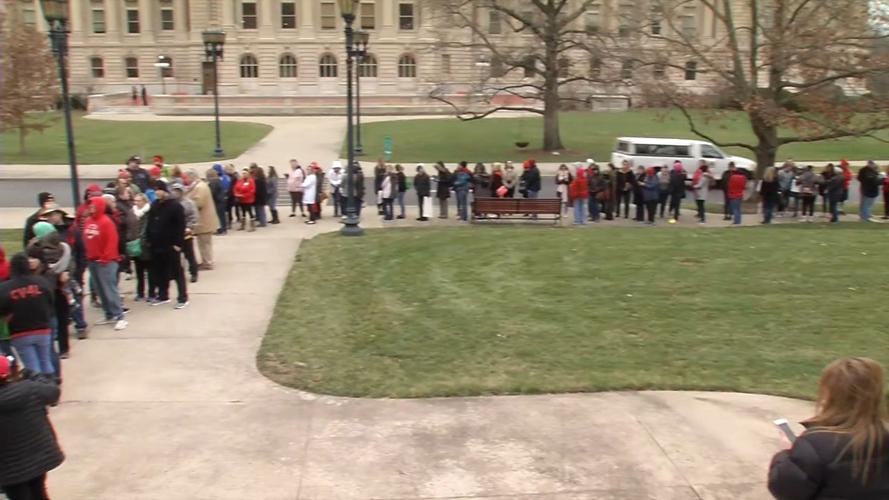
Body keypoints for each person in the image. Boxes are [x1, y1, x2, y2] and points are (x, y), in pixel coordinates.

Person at [768, 357, 889, 499]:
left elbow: (785, 490)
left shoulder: (814, 444)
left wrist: (786, 454)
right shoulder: (883, 434)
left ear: (831, 395)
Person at [0, 355, 65, 500]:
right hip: (37, 456)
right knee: (39, 491)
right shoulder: (29, 388)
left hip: (7, 468)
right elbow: (53, 392)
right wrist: (34, 375)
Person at [0, 254, 55, 375]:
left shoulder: (4, 288)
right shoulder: (42, 282)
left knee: (32, 369)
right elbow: (51, 301)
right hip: (43, 329)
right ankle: (52, 388)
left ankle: (40, 391)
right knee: (46, 362)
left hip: (20, 333)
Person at [83, 196, 127, 330]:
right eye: (89, 206)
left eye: (93, 206)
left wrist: (105, 258)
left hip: (106, 262)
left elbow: (112, 242)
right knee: (100, 289)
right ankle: (109, 314)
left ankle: (120, 316)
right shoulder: (88, 221)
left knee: (110, 289)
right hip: (92, 261)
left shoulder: (106, 222)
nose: (91, 208)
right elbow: (86, 240)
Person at [146, 181, 188, 309]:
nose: (157, 192)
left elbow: (181, 225)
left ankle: (183, 298)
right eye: (156, 190)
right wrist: (149, 240)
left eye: (159, 190)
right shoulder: (154, 205)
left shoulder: (175, 206)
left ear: (165, 191)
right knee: (160, 272)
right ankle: (163, 295)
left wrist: (178, 243)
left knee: (177, 272)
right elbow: (150, 223)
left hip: (171, 245)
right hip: (157, 245)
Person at [185, 168, 221, 271]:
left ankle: (208, 262)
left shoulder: (200, 187)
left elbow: (199, 203)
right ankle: (206, 261)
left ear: (192, 176)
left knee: (205, 243)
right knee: (203, 242)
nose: (186, 180)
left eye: (187, 177)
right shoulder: (198, 186)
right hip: (203, 220)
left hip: (204, 220)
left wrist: (189, 204)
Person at [170, 182, 199, 283]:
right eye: (174, 190)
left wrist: (189, 227)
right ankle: (175, 273)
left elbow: (194, 217)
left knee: (189, 255)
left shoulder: (189, 203)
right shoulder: (170, 204)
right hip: (174, 234)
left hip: (186, 233)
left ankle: (193, 272)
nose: (176, 193)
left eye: (178, 191)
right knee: (174, 256)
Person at [131, 193, 153, 302]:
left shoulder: (148, 212)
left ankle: (151, 292)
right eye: (135, 200)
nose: (137, 203)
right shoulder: (133, 212)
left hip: (146, 245)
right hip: (136, 245)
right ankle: (140, 292)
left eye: (139, 200)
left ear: (144, 201)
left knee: (149, 271)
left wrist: (144, 241)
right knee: (139, 271)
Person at [207, 166, 227, 235]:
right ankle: (221, 229)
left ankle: (223, 229)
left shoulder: (214, 182)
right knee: (221, 216)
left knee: (220, 217)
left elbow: (212, 192)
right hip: (221, 200)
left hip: (218, 201)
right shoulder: (218, 180)